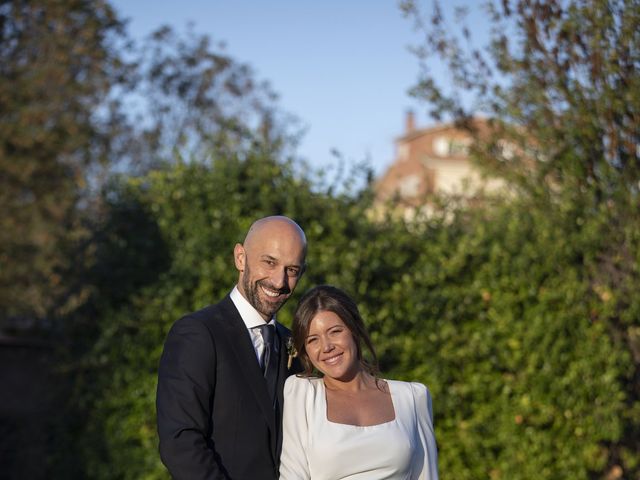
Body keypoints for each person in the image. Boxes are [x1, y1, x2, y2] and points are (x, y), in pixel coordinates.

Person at [157, 215, 307, 480]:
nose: (279, 281)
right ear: (240, 258)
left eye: (292, 270)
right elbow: (180, 441)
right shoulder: (198, 333)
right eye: (269, 262)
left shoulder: (293, 346)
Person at [279, 285, 439, 480]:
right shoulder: (302, 394)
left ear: (354, 329)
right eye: (313, 340)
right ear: (305, 350)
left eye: (335, 331)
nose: (327, 347)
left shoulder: (413, 397)